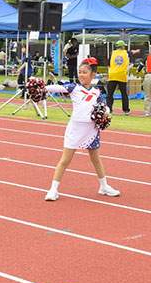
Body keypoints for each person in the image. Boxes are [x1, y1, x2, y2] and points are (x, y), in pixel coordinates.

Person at [43, 58, 120, 201]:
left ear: (93, 74)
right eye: (80, 72)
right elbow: (59, 88)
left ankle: (104, 186)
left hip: (91, 130)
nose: (81, 75)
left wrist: (106, 112)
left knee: (96, 159)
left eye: (85, 72)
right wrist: (43, 87)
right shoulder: (74, 88)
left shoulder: (97, 92)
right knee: (65, 161)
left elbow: (105, 106)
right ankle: (53, 189)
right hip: (75, 129)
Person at [106, 40, 140, 115]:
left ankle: (109, 109)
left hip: (112, 75)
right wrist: (137, 51)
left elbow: (109, 64)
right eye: (124, 46)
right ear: (122, 47)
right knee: (124, 94)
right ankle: (126, 110)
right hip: (122, 75)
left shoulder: (112, 53)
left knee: (110, 94)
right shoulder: (126, 53)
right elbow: (132, 52)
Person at [138, 50, 151, 117]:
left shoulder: (147, 56)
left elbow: (141, 65)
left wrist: (138, 70)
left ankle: (147, 112)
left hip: (148, 75)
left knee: (147, 94)